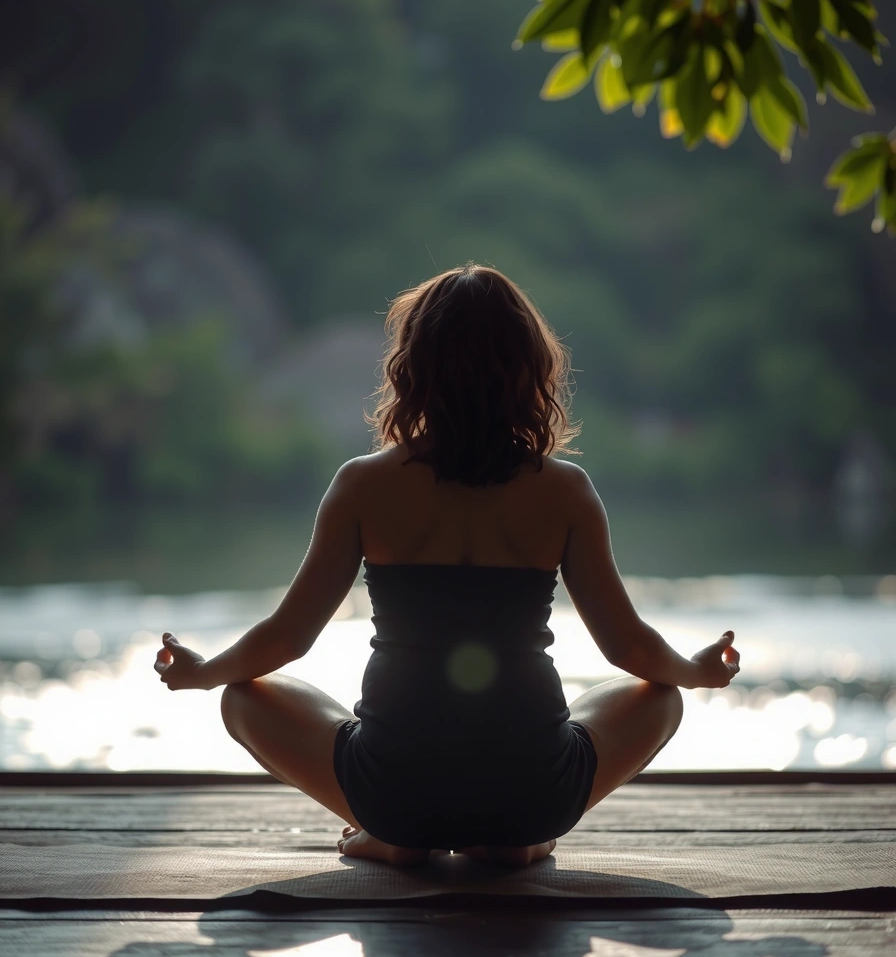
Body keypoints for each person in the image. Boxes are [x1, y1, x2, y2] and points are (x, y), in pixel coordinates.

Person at [154, 263, 740, 868]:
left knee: (242, 699)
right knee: (662, 698)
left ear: (413, 368)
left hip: (394, 793)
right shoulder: (565, 491)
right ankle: (516, 841)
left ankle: (394, 837)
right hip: (533, 794)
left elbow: (287, 638)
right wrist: (694, 673)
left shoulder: (362, 485)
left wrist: (206, 673)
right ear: (530, 370)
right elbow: (629, 650)